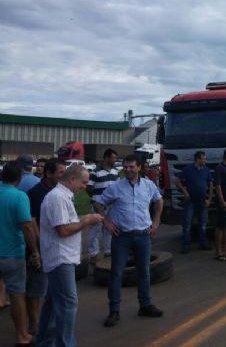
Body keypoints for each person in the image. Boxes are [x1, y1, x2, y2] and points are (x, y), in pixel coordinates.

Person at [93, 155, 164, 327]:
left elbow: (159, 201)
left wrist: (156, 222)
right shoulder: (116, 187)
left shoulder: (148, 185)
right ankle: (114, 311)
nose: (128, 170)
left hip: (143, 236)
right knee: (116, 274)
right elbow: (98, 202)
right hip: (121, 237)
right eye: (125, 167)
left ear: (139, 167)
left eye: (132, 167)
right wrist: (107, 222)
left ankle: (145, 305)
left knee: (144, 273)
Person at [36, 165, 103, 347]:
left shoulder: (63, 196)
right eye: (83, 182)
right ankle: (65, 344)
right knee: (67, 304)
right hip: (60, 258)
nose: (84, 186)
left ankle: (43, 341)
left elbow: (66, 223)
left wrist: (84, 218)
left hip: (62, 257)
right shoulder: (57, 198)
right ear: (72, 179)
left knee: (52, 303)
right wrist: (87, 221)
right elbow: (63, 230)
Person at [0, 161, 41, 346]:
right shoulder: (20, 197)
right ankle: (22, 336)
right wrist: (34, 251)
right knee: (17, 295)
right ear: (19, 179)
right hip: (13, 254)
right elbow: (26, 225)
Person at [25, 159, 66, 336]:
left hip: (59, 249)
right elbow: (31, 221)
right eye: (61, 173)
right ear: (48, 174)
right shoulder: (35, 193)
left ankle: (50, 324)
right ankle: (34, 325)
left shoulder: (62, 191)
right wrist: (39, 248)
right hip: (40, 249)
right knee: (36, 289)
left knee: (55, 290)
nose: (64, 176)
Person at [175, 150, 213, 253]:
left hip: (202, 201)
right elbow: (177, 181)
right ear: (197, 159)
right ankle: (186, 245)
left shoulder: (206, 170)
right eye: (203, 158)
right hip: (190, 201)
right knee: (187, 223)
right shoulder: (188, 169)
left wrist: (209, 199)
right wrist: (184, 192)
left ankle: (203, 243)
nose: (205, 160)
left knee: (203, 223)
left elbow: (210, 185)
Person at [87, 148, 119, 265]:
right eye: (114, 157)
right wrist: (98, 198)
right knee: (95, 231)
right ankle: (93, 254)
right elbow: (89, 189)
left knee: (109, 228)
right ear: (106, 158)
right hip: (97, 206)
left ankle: (108, 251)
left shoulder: (115, 172)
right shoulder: (95, 172)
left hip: (111, 206)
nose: (115, 160)